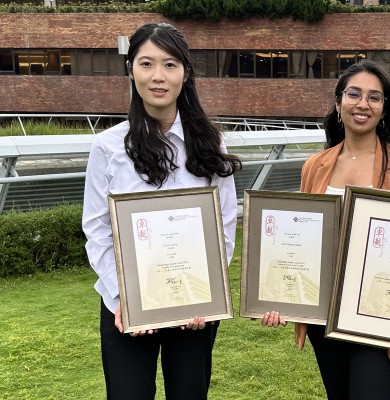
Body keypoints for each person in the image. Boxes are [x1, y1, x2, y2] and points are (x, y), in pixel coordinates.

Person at [82, 22, 240, 400]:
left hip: (194, 309)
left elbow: (225, 226)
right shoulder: (108, 147)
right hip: (125, 307)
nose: (158, 76)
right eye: (146, 63)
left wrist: (207, 293)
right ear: (130, 68)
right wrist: (124, 299)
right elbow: (97, 229)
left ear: (186, 73)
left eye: (170, 65)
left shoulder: (210, 145)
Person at [261, 60, 390, 399]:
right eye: (354, 94)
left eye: (374, 97)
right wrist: (279, 294)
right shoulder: (316, 165)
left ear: (384, 109)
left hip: (379, 315)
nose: (363, 104)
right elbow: (302, 242)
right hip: (325, 315)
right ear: (338, 104)